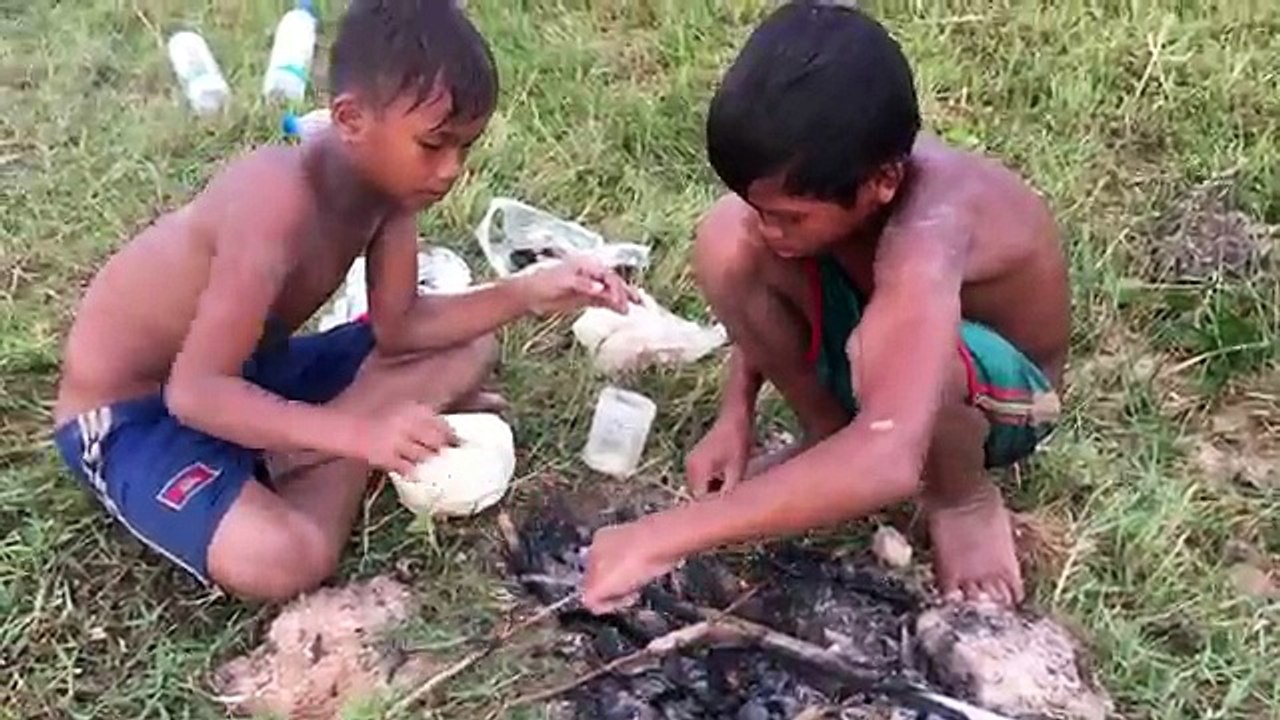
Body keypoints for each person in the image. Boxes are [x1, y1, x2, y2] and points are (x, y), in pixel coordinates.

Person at [52, 0, 632, 603]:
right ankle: (329, 453)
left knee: (471, 341)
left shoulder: (392, 191)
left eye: (465, 148)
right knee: (283, 560)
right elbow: (194, 393)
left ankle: (305, 448)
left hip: (250, 368)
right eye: (434, 145)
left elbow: (401, 326)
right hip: (136, 412)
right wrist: (358, 434)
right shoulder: (274, 202)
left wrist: (527, 291)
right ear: (350, 119)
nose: (450, 170)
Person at [582, 0, 1069, 613]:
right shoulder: (847, 175)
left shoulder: (933, 226)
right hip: (886, 335)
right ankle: (830, 432)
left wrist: (658, 539)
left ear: (885, 182)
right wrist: (737, 414)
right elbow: (774, 246)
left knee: (916, 361)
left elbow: (892, 456)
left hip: (1004, 397)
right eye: (764, 207)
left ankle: (960, 497)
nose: (771, 229)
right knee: (725, 240)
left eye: (788, 216)